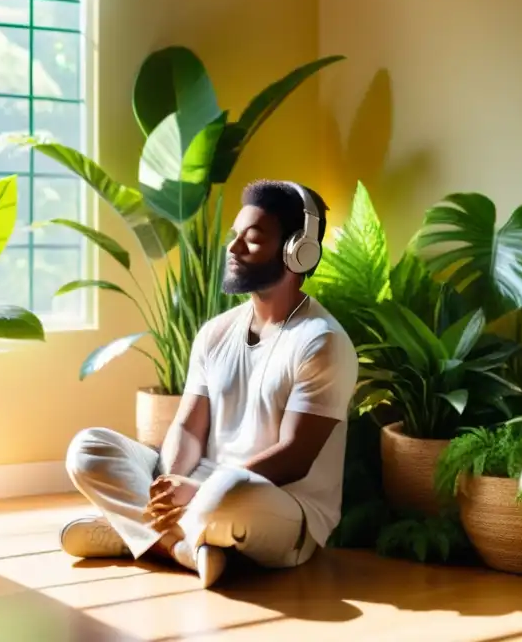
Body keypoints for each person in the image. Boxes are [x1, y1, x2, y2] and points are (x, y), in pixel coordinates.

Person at [59, 179, 358, 588]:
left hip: (274, 503)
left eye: (252, 239)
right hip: (199, 486)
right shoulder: (216, 332)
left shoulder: (321, 341)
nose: (233, 248)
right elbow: (187, 427)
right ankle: (184, 548)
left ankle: (133, 532)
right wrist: (170, 484)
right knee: (89, 448)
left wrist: (197, 489)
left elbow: (293, 458)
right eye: (234, 235)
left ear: (297, 251)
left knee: (231, 492)